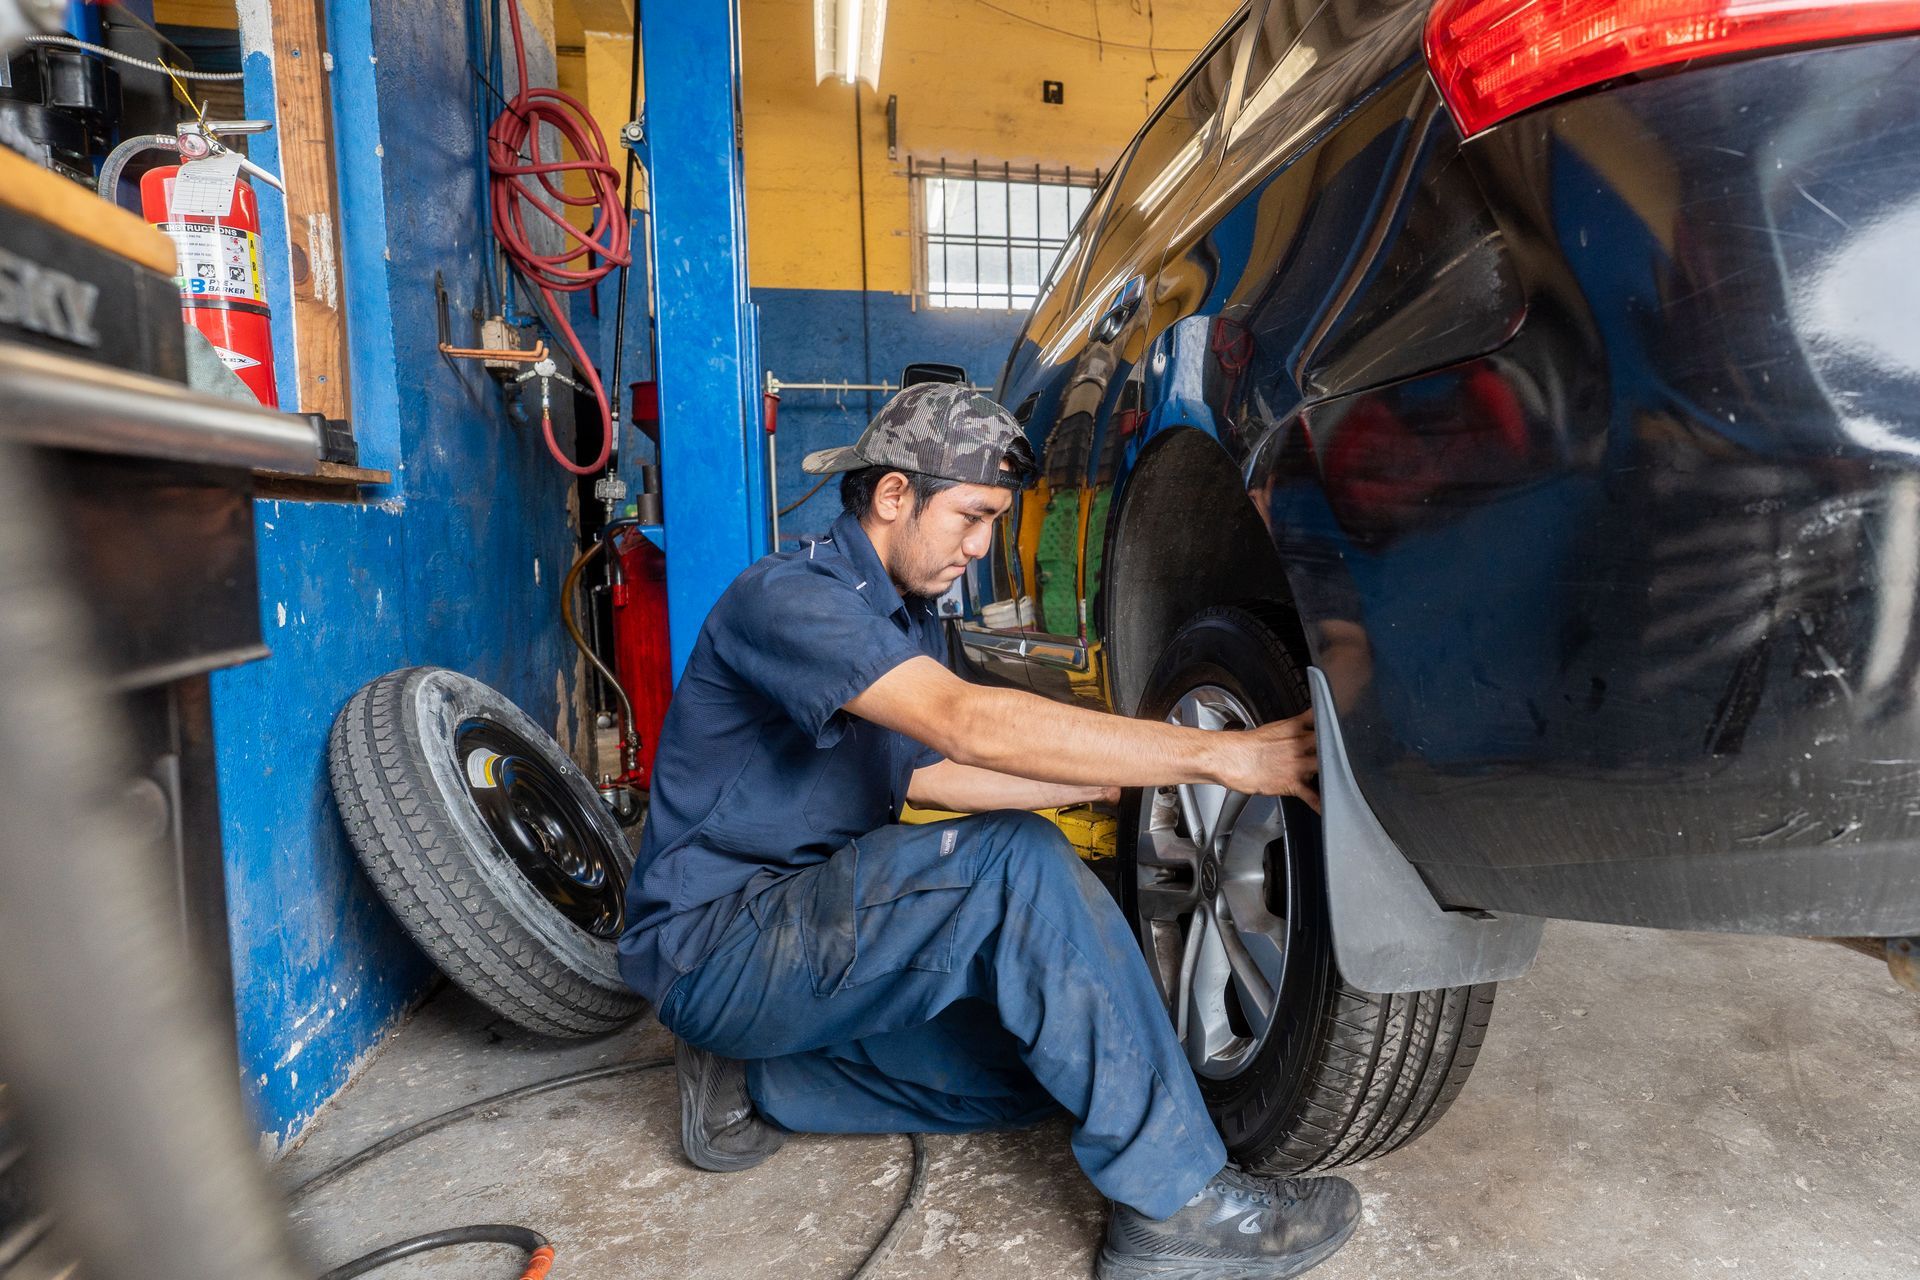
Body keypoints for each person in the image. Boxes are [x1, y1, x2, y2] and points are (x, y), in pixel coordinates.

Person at [617, 383, 1359, 1279]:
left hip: (804, 940)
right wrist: (1219, 760)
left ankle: (753, 1077)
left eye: (993, 522)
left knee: (1057, 1068)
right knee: (1016, 863)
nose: (982, 547)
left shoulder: (908, 621)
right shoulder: (790, 598)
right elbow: (966, 724)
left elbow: (931, 772)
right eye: (971, 517)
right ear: (894, 496)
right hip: (718, 945)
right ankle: (1174, 1213)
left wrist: (1124, 785)